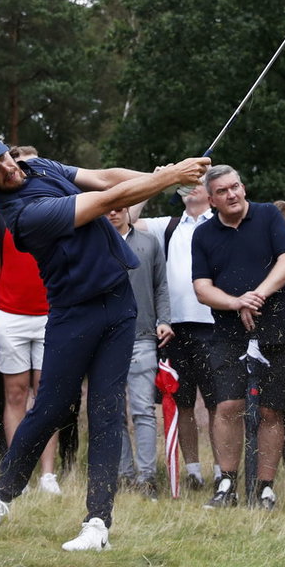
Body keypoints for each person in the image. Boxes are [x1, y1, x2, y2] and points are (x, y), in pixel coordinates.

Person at [0, 134, 209, 550]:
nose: (7, 167)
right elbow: (105, 199)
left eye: (3, 156)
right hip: (72, 313)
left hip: (119, 303)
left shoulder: (39, 167)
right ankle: (2, 495)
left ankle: (98, 524)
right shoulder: (21, 215)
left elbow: (103, 176)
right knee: (51, 409)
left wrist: (167, 177)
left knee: (107, 411)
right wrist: (169, 177)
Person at [190, 165, 285, 510]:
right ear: (211, 199)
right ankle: (227, 483)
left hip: (278, 324)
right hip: (227, 331)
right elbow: (202, 288)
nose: (232, 194)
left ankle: (265, 486)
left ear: (243, 186)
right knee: (227, 406)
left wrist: (257, 296)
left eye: (235, 187)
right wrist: (236, 302)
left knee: (271, 410)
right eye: (222, 191)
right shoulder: (204, 234)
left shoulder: (268, 215)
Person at [0, 153, 62, 495]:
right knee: (14, 395)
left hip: (50, 314)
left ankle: (47, 475)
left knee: (46, 397)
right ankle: (18, 473)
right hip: (10, 316)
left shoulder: (56, 204)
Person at [137, 184, 217, 491]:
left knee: (218, 405)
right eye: (184, 183)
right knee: (182, 403)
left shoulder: (220, 220)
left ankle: (223, 473)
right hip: (174, 329)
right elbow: (128, 219)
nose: (189, 186)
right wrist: (155, 182)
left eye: (197, 180)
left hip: (214, 326)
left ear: (210, 190)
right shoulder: (167, 225)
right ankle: (193, 471)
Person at [108, 204, 169, 497]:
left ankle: (147, 478)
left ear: (129, 211)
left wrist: (165, 319)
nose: (113, 213)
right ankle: (123, 474)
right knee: (113, 411)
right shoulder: (94, 242)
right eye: (107, 208)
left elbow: (161, 285)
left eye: (120, 208)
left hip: (142, 335)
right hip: (104, 340)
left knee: (143, 410)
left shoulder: (149, 243)